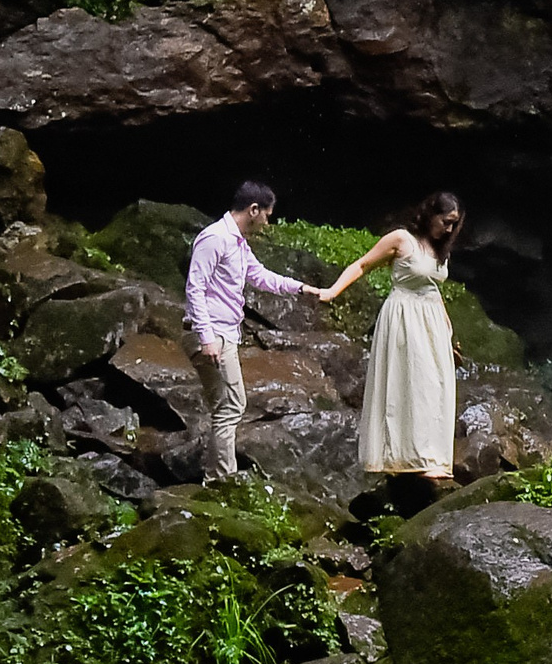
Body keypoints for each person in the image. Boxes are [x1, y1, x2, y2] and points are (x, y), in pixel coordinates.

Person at [318, 191, 464, 484]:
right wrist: (333, 291)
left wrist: (448, 334)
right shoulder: (401, 239)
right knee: (411, 381)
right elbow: (362, 264)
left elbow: (433, 290)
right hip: (404, 315)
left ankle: (432, 455)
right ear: (430, 214)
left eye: (454, 224)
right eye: (446, 222)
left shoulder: (439, 248)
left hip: (432, 320)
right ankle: (410, 457)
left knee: (436, 385)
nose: (448, 229)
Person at [182, 181, 321, 481]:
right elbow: (195, 287)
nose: (267, 222)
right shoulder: (215, 238)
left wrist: (299, 288)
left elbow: (259, 276)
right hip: (212, 333)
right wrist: (207, 338)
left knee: (226, 407)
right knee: (231, 406)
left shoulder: (237, 243)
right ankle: (222, 480)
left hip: (223, 333)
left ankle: (216, 478)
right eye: (267, 215)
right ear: (253, 210)